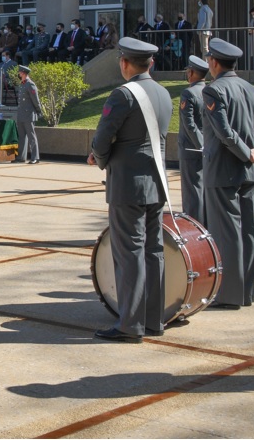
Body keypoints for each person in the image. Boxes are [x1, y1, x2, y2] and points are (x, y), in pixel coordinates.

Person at [88, 38, 173, 342]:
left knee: (130, 254)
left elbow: (101, 139)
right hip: (156, 182)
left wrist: (99, 159)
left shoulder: (123, 94)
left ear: (124, 63)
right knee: (154, 252)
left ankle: (130, 324)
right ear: (150, 64)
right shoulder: (164, 93)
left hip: (127, 184)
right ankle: (153, 320)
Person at [201, 38, 254, 310]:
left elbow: (224, 131)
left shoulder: (214, 90)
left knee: (227, 233)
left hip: (224, 169)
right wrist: (252, 152)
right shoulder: (250, 88)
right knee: (247, 232)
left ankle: (229, 294)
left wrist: (245, 152)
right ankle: (246, 291)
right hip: (248, 169)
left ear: (214, 62)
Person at [178, 56, 210, 222]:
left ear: (191, 73)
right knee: (203, 189)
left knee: (192, 191)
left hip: (191, 149)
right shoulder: (210, 91)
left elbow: (189, 124)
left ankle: (193, 225)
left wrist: (201, 145)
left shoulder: (188, 93)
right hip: (208, 148)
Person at [14, 65, 40, 164]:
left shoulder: (30, 84)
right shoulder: (23, 84)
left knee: (31, 136)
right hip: (21, 114)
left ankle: (35, 157)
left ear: (23, 73)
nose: (19, 74)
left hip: (29, 114)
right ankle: (21, 157)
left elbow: (35, 100)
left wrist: (39, 110)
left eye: (20, 72)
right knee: (21, 137)